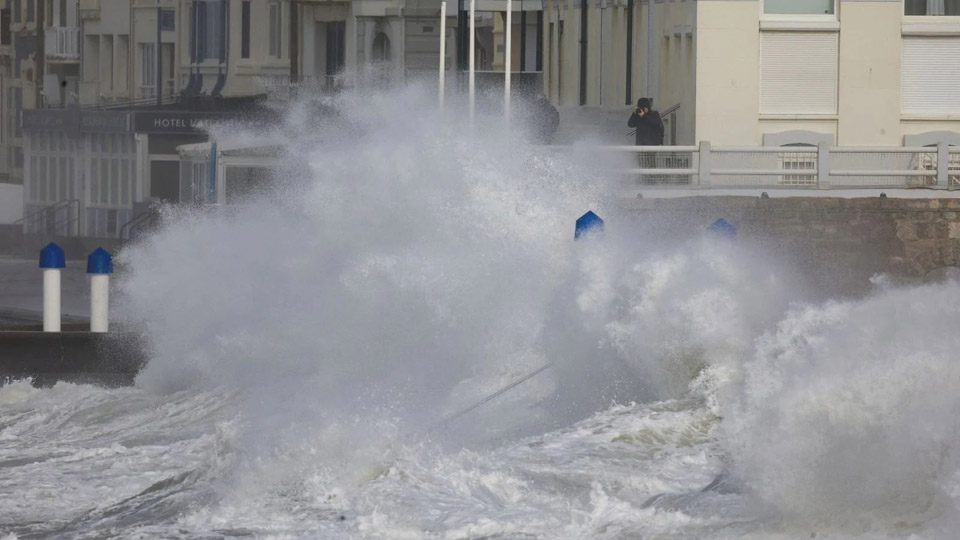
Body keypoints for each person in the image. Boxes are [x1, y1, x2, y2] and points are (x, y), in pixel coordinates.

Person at [627, 97, 664, 183]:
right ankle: (642, 181)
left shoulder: (654, 114)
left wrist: (644, 116)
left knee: (651, 165)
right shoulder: (638, 116)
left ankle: (651, 182)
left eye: (643, 108)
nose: (642, 110)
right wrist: (634, 114)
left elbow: (655, 124)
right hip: (640, 145)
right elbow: (630, 124)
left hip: (651, 145)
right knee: (641, 165)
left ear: (647, 107)